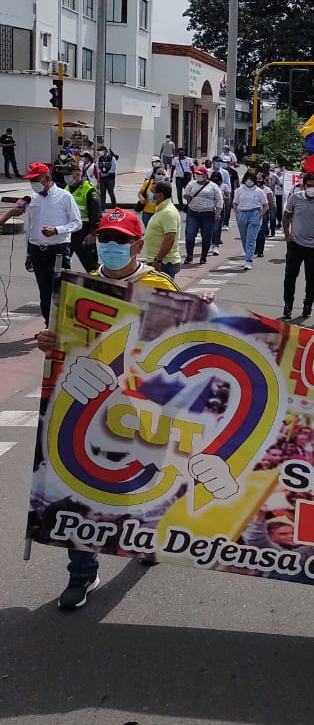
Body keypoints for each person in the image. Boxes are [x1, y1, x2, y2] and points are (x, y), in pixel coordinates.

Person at [35, 209, 183, 610]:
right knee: (84, 491)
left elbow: (186, 339)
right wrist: (49, 340)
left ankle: (143, 537)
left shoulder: (158, 284)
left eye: (120, 240)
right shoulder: (80, 287)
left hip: (145, 408)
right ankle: (82, 574)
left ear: (138, 245)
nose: (111, 246)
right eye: (105, 238)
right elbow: (65, 342)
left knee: (141, 483)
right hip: (92, 410)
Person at [0, 163, 81, 323]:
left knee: (60, 291)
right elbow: (31, 228)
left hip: (57, 250)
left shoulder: (65, 197)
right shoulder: (32, 199)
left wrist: (56, 230)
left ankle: (63, 327)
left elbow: (77, 223)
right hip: (37, 251)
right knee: (44, 293)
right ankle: (48, 326)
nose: (33, 183)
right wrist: (29, 253)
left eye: (35, 179)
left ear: (47, 178)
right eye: (30, 180)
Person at [281, 171, 314, 320]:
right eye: (309, 185)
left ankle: (308, 304)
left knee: (311, 278)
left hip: (313, 247)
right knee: (290, 276)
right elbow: (286, 216)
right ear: (303, 186)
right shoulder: (295, 198)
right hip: (295, 244)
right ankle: (288, 304)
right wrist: (287, 235)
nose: (312, 188)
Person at [64, 159, 102, 273]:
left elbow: (96, 215)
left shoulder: (89, 190)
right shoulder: (66, 189)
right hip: (68, 233)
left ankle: (97, 288)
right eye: (65, 174)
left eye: (68, 174)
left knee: (91, 266)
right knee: (61, 265)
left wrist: (92, 234)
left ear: (77, 173)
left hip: (84, 234)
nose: (66, 177)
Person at [183, 164, 224, 266]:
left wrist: (218, 212)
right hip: (193, 212)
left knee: (206, 236)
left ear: (205, 175)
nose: (198, 176)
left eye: (200, 174)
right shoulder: (192, 184)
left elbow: (219, 200)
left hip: (208, 214)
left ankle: (203, 256)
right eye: (197, 174)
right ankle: (189, 256)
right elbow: (185, 194)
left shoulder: (213, 186)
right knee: (190, 234)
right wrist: (188, 196)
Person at [142, 179, 182, 278]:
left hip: (164, 263)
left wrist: (158, 260)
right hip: (158, 261)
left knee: (161, 292)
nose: (150, 196)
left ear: (160, 195)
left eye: (153, 193)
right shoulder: (161, 209)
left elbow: (170, 239)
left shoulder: (168, 212)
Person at [232, 170, 268, 271]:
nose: (249, 181)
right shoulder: (240, 190)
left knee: (251, 239)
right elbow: (235, 203)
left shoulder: (259, 191)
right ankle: (247, 253)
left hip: (254, 213)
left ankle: (249, 260)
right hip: (242, 214)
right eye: (247, 179)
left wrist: (259, 215)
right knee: (244, 238)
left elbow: (266, 206)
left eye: (251, 179)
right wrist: (237, 214)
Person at [137, 157, 165, 225]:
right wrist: (141, 198)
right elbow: (140, 193)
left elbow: (170, 198)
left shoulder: (165, 185)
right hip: (147, 212)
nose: (161, 176)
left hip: (160, 212)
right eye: (159, 174)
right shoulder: (148, 183)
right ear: (154, 174)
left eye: (162, 174)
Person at [209, 169, 230, 253]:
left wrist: (223, 198)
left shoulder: (224, 186)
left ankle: (215, 245)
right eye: (214, 177)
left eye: (217, 177)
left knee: (217, 227)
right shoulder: (208, 186)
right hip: (209, 208)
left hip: (220, 208)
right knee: (209, 227)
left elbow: (228, 197)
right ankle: (210, 243)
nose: (215, 179)